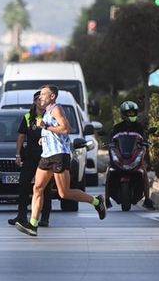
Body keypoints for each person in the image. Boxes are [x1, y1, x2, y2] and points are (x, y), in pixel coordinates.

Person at [18, 85, 105, 236]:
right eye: (39, 96)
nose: (40, 98)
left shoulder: (56, 109)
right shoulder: (45, 113)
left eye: (43, 95)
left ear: (52, 97)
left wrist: (45, 127)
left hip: (59, 155)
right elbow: (53, 131)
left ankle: (97, 202)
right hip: (47, 155)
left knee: (64, 193)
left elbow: (66, 129)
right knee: (37, 188)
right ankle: (33, 225)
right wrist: (44, 138)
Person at [9, 91, 53, 228]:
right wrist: (18, 154)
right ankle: (21, 215)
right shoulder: (28, 117)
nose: (40, 102)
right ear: (34, 101)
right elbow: (21, 136)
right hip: (30, 157)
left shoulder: (50, 116)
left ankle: (44, 217)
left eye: (43, 99)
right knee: (23, 185)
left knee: (45, 188)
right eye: (38, 100)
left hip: (46, 156)